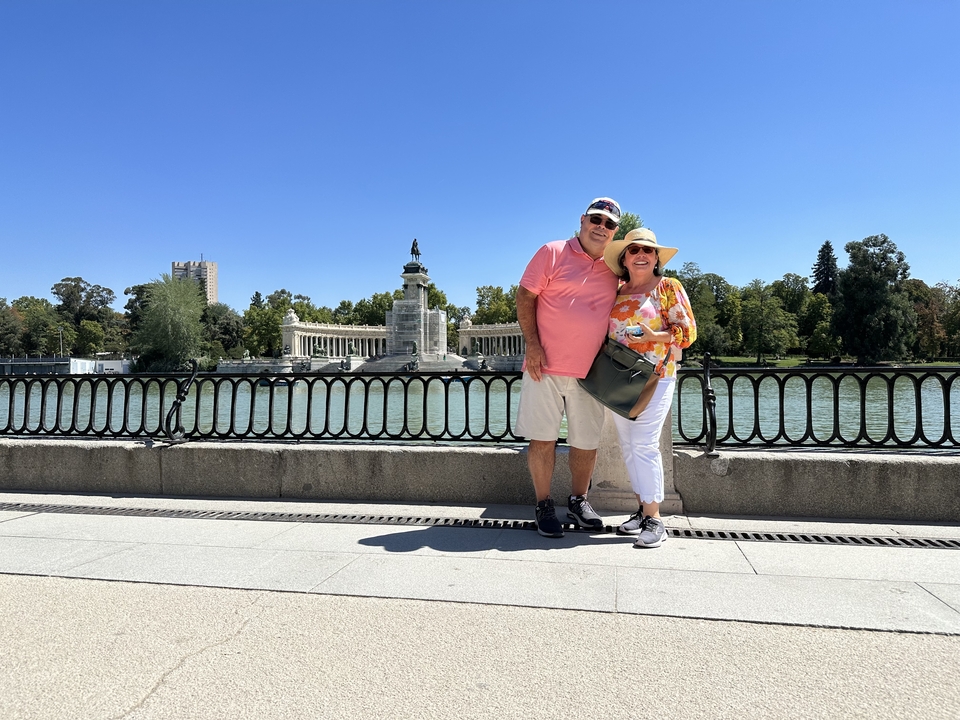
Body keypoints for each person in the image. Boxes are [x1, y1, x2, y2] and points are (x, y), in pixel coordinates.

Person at [515, 197, 623, 537]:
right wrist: (532, 344)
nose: (600, 227)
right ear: (582, 219)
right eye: (596, 219)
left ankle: (579, 500)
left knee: (586, 442)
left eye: (608, 224)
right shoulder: (552, 251)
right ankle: (544, 504)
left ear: (614, 232)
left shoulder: (614, 267)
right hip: (542, 366)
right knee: (543, 439)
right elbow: (524, 295)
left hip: (590, 371)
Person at [601, 228, 696, 548]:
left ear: (656, 258)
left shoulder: (668, 287)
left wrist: (652, 337)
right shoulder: (615, 290)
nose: (641, 255)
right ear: (624, 259)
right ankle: (642, 510)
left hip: (657, 375)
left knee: (644, 443)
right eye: (634, 250)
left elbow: (687, 333)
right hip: (619, 376)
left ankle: (656, 519)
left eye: (648, 250)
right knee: (629, 445)